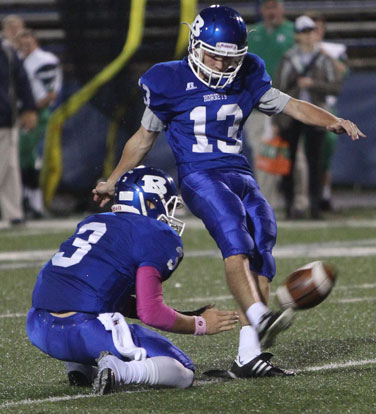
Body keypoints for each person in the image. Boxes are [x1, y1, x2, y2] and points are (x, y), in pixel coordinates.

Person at [93, 5, 365, 378]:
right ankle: (259, 316)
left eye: (229, 59)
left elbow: (291, 105)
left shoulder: (248, 72)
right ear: (196, 45)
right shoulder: (168, 80)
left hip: (237, 171)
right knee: (234, 232)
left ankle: (249, 355)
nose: (221, 66)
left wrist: (331, 120)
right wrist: (113, 179)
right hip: (199, 175)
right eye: (215, 56)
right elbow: (143, 139)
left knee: (263, 234)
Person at [26, 166, 239, 394]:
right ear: (149, 202)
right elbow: (151, 312)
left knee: (86, 301)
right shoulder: (156, 233)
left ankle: (81, 368)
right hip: (86, 332)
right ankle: (119, 371)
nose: (170, 215)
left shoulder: (94, 221)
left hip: (38, 326)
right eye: (167, 206)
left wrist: (185, 313)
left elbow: (103, 293)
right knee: (183, 371)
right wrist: (201, 325)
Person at [274, 15, 343, 219]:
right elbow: (278, 88)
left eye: (311, 31)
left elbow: (335, 86)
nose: (308, 35)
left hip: (315, 115)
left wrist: (312, 84)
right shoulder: (288, 58)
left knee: (316, 163)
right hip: (292, 116)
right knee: (289, 163)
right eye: (304, 32)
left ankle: (315, 207)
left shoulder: (323, 58)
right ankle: (290, 207)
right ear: (297, 35)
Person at [244, 0, 295, 208]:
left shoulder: (295, 31)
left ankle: (302, 203)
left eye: (275, 6)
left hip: (291, 104)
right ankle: (267, 204)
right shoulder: (251, 34)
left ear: (282, 8)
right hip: (258, 107)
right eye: (267, 7)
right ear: (261, 10)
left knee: (297, 156)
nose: (271, 11)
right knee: (263, 155)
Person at [17, 29, 63, 219]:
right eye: (22, 42)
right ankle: (28, 202)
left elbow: (50, 93)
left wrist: (31, 110)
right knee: (24, 159)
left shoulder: (44, 59)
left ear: (35, 40)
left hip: (37, 114)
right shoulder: (19, 58)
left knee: (34, 158)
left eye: (28, 41)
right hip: (21, 114)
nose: (25, 46)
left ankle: (37, 204)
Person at [310, 13, 348, 211]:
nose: (315, 33)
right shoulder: (298, 51)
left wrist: (324, 54)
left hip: (324, 107)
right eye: (311, 29)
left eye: (318, 28)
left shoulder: (332, 50)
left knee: (325, 152)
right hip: (302, 106)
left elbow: (343, 73)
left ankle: (323, 195)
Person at [0, 26, 37, 226]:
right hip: (5, 115)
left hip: (5, 117)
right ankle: (13, 213)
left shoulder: (6, 50)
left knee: (10, 167)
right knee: (6, 166)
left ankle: (14, 213)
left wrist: (29, 108)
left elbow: (22, 80)